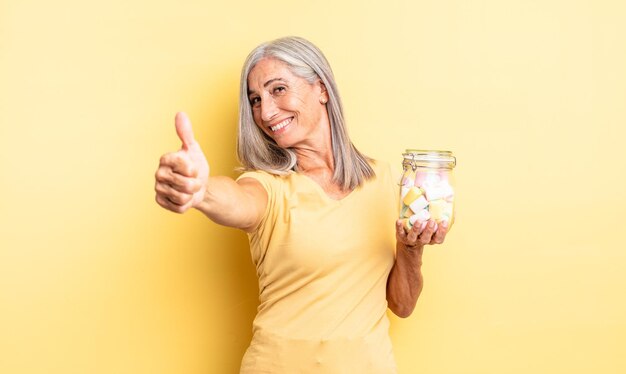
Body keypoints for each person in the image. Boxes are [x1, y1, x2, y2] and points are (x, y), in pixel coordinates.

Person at [154, 36, 449, 373]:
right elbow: (238, 202)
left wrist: (411, 249)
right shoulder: (269, 186)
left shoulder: (383, 179)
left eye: (277, 89)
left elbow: (402, 304)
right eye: (255, 99)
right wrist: (200, 190)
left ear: (321, 89)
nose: (265, 111)